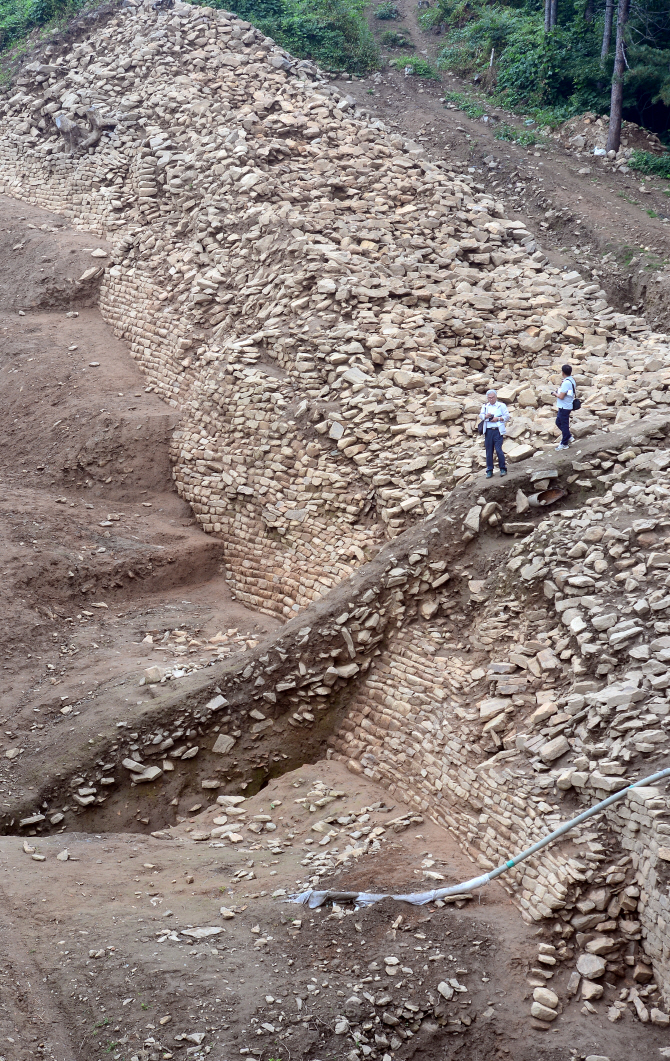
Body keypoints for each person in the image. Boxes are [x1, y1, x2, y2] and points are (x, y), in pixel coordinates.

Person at [478, 389, 510, 479]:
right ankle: (489, 470)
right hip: (488, 431)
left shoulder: (501, 406)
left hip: (497, 430)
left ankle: (503, 468)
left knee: (498, 450)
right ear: (487, 398)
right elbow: (481, 415)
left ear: (496, 397)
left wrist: (498, 418)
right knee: (489, 451)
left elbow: (507, 416)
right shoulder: (485, 406)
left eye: (493, 397)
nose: (491, 399)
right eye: (489, 398)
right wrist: (486, 416)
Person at [552, 364, 577, 450]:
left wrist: (555, 394)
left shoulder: (566, 383)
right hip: (567, 405)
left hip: (564, 407)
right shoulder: (571, 380)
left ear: (562, 372)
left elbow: (561, 396)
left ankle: (564, 443)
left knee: (564, 424)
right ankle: (569, 437)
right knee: (558, 422)